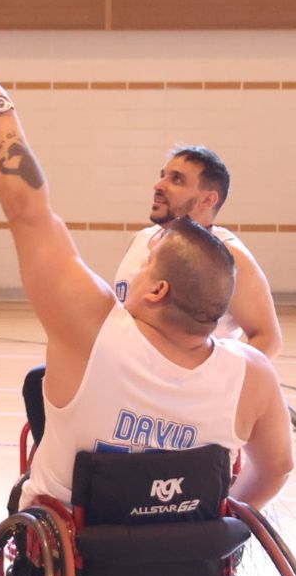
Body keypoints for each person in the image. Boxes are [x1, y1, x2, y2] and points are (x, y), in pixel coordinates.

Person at [0, 53, 293, 576]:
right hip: (186, 553)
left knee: (46, 446)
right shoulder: (253, 376)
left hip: (79, 547)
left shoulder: (94, 331)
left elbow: (29, 211)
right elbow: (278, 467)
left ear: (155, 288)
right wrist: (211, 515)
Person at [21, 145, 282, 444]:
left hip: (182, 392)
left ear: (209, 198)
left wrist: (218, 387)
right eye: (162, 176)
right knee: (42, 379)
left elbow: (268, 337)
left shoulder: (227, 256)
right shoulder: (143, 240)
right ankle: (63, 470)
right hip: (128, 376)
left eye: (177, 179)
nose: (159, 186)